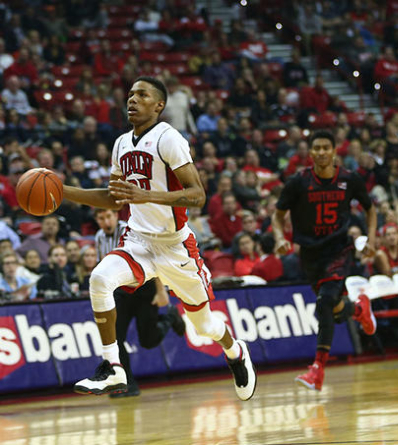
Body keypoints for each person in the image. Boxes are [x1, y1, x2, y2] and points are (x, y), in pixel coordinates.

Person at [63, 76, 256, 400]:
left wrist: (146, 195)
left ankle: (235, 351)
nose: (132, 100)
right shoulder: (121, 144)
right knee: (99, 279)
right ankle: (113, 367)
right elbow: (113, 198)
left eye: (142, 95)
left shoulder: (169, 138)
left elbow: (197, 195)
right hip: (138, 240)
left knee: (204, 326)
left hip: (175, 245)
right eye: (130, 94)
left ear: (159, 105)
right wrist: (62, 191)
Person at [272, 130, 378, 391]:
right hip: (310, 254)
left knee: (325, 302)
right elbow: (277, 215)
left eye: (325, 148)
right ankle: (359, 310)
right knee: (334, 309)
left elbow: (370, 209)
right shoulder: (298, 182)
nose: (321, 152)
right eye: (316, 148)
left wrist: (372, 239)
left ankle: (317, 369)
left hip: (339, 249)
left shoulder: (349, 179)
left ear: (334, 151)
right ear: (310, 152)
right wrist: (279, 237)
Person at [93, 208, 186, 398]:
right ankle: (126, 383)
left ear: (115, 216)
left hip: (144, 288)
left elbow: (153, 259)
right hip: (121, 292)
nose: (106, 221)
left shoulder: (130, 230)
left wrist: (161, 291)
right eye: (101, 218)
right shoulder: (99, 238)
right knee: (115, 339)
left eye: (108, 216)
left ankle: (170, 316)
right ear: (97, 221)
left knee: (148, 340)